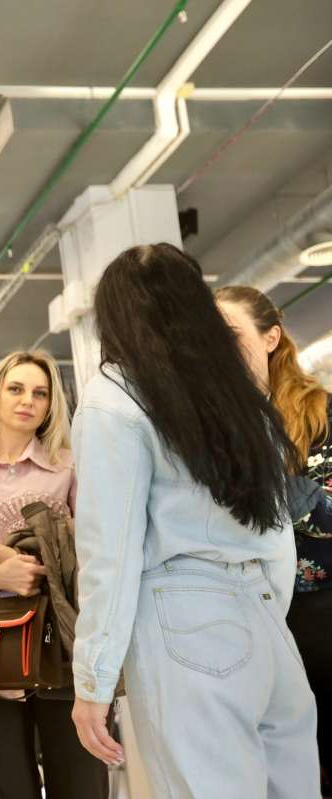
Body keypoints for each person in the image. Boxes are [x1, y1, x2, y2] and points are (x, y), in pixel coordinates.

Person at [70, 243, 318, 797]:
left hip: (184, 623)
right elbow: (275, 530)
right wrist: (264, 615)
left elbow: (111, 554)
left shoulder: (115, 398)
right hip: (266, 620)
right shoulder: (238, 393)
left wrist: (93, 681)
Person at [0, 350, 106, 799]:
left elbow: (96, 556)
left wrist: (26, 562)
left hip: (62, 650)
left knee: (82, 788)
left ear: (50, 406)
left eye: (40, 393)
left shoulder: (69, 468)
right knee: (3, 791)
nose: (28, 400)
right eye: (16, 388)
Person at [216, 284, 332, 793]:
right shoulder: (211, 428)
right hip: (247, 621)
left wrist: (279, 496)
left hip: (319, 614)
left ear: (271, 338)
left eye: (231, 334)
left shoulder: (321, 412)